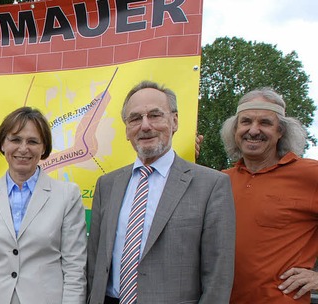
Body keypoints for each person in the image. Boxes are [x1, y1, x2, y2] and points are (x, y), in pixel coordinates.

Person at [87, 80, 236, 304]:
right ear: (127, 129)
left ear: (174, 121)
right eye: (135, 118)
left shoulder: (212, 185)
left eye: (155, 115)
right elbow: (94, 261)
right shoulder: (107, 185)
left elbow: (218, 274)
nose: (145, 126)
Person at [0, 106, 87, 304]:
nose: (23, 148)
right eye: (15, 140)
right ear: (2, 145)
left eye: (32, 141)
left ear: (43, 148)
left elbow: (74, 268)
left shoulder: (67, 196)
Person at [220, 88, 318, 303]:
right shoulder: (219, 180)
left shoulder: (310, 174)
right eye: (245, 122)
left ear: (281, 131)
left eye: (265, 123)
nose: (254, 130)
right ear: (235, 129)